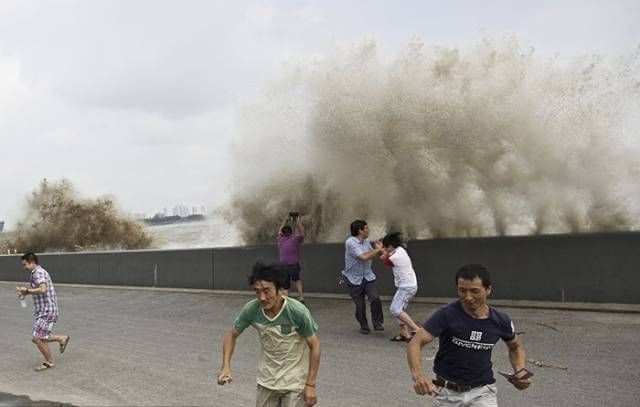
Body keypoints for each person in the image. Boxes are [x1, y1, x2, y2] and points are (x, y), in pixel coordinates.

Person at [407, 264, 532, 406]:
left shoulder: (500, 320)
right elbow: (415, 343)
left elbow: (515, 346)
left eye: (474, 291)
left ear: (488, 289)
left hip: (483, 392)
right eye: (462, 290)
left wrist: (520, 372)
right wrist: (418, 376)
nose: (468, 297)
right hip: (447, 393)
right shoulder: (446, 314)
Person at [217, 262, 321, 407]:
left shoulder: (297, 311)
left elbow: (315, 345)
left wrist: (310, 384)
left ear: (279, 289)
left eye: (267, 291)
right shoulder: (252, 309)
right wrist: (226, 366)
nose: (262, 297)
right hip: (267, 381)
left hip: (294, 382)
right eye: (257, 291)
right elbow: (231, 335)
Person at [16, 252, 70, 372]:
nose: (23, 267)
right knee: (41, 337)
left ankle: (50, 362)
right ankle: (62, 338)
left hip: (47, 311)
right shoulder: (37, 272)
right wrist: (26, 292)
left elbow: (42, 289)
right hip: (45, 310)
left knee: (37, 338)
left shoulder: (38, 273)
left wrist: (27, 290)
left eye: (25, 265)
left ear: (32, 262)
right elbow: (40, 290)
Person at [375, 233, 420, 342]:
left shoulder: (396, 256)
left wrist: (380, 249)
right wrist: (383, 247)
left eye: (386, 247)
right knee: (400, 310)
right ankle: (405, 334)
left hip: (407, 287)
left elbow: (384, 259)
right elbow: (386, 255)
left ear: (390, 246)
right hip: (406, 286)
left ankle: (417, 330)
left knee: (395, 309)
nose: (385, 249)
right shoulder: (400, 250)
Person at [343, 219, 384, 334]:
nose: (368, 230)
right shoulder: (350, 242)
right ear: (360, 231)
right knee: (360, 305)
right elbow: (364, 257)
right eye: (366, 228)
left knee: (375, 298)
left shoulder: (366, 242)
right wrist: (377, 250)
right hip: (353, 279)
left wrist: (380, 249)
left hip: (367, 276)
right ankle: (363, 325)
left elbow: (372, 254)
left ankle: (377, 322)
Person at [276, 212, 305, 302]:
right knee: (297, 280)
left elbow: (280, 230)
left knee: (285, 285)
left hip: (283, 266)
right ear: (291, 232)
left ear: (283, 233)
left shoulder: (279, 239)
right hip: (294, 265)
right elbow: (302, 233)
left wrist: (285, 220)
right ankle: (301, 297)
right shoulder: (295, 239)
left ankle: (287, 300)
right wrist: (298, 221)